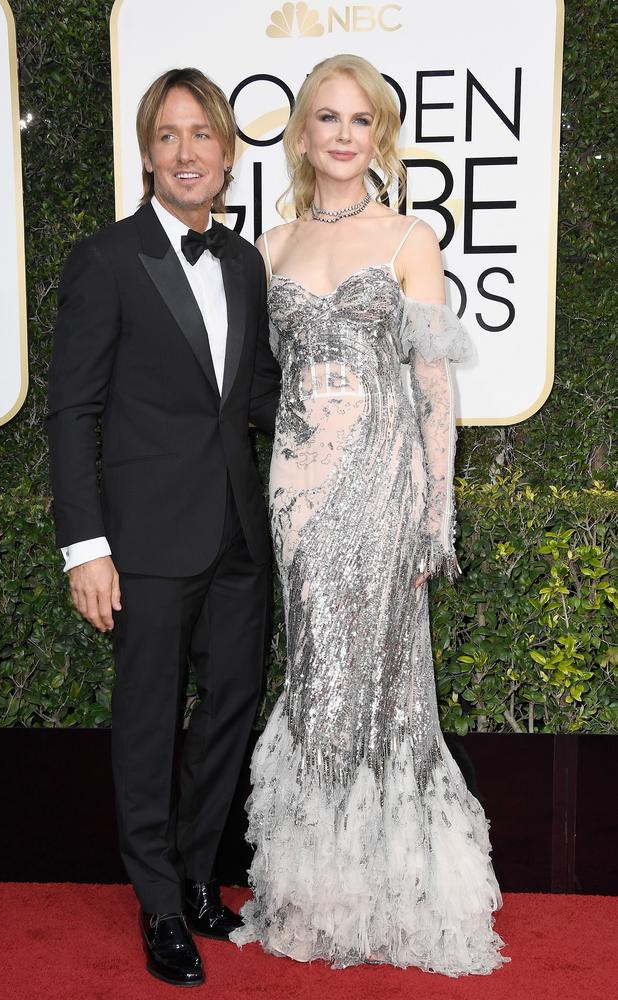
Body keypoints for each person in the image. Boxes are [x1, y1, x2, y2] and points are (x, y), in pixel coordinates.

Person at [230, 54, 508, 976]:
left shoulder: (408, 241)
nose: (343, 135)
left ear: (377, 136)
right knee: (317, 671)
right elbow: (255, 383)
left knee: (382, 680)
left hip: (383, 485)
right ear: (302, 133)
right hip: (298, 494)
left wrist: (438, 510)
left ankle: (392, 891)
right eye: (326, 118)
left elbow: (433, 388)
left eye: (360, 120)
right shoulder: (268, 249)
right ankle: (318, 892)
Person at [47, 68, 280, 987]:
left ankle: (191, 877)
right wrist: (86, 547)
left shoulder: (246, 262)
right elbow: (73, 414)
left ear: (227, 154)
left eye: (204, 135)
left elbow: (255, 394)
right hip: (143, 543)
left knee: (228, 712)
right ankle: (156, 906)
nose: (188, 152)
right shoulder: (105, 259)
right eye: (169, 136)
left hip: (238, 535)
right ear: (148, 153)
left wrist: (349, 403)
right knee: (148, 724)